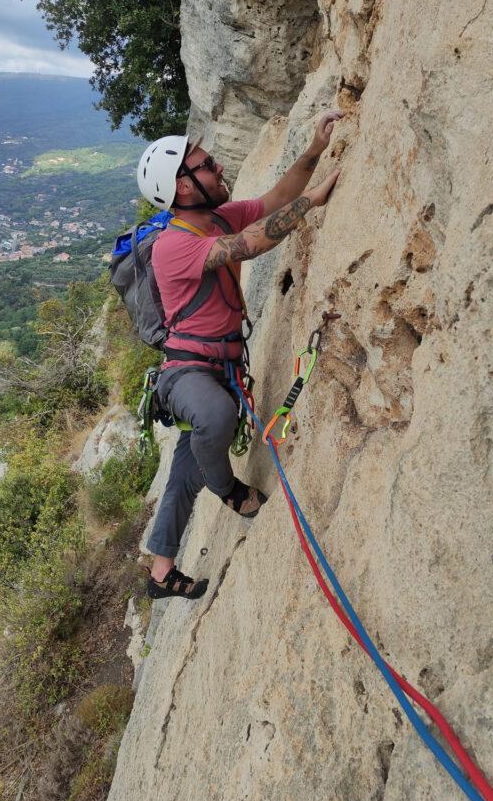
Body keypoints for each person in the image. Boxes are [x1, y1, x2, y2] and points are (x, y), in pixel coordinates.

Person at [137, 110, 343, 599]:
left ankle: (161, 573)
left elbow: (273, 200)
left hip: (216, 364)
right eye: (206, 166)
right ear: (183, 187)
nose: (219, 169)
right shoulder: (173, 245)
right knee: (213, 415)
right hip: (187, 372)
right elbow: (249, 245)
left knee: (186, 470)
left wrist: (313, 152)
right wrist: (314, 202)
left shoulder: (215, 217)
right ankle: (229, 489)